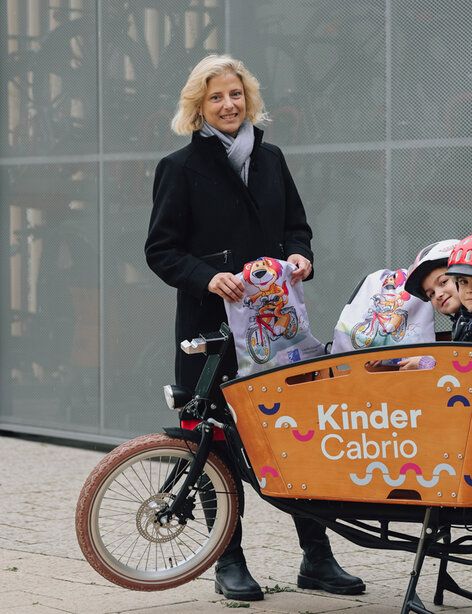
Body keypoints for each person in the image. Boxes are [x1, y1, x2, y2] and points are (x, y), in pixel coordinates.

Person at [144, 54, 364, 601]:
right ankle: (229, 560)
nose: (228, 105)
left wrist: (300, 256)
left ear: (249, 100)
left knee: (296, 436)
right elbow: (160, 250)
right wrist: (208, 278)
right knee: (213, 443)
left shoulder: (272, 160)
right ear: (198, 106)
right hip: (210, 332)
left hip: (276, 327)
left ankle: (317, 558)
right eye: (216, 97)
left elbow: (297, 226)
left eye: (236, 95)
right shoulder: (179, 167)